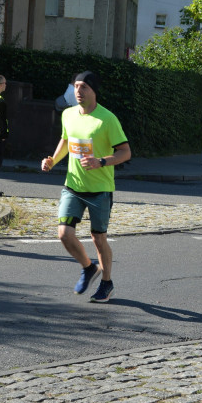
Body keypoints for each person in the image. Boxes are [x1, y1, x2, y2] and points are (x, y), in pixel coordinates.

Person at [41, 71, 131, 303]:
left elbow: (125, 152)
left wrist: (101, 161)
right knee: (64, 233)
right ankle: (89, 267)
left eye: (84, 88)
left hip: (100, 189)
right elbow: (66, 140)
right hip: (73, 185)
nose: (78, 92)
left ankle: (107, 283)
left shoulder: (107, 119)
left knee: (98, 239)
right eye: (76, 87)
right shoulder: (69, 114)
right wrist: (53, 160)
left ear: (94, 91)